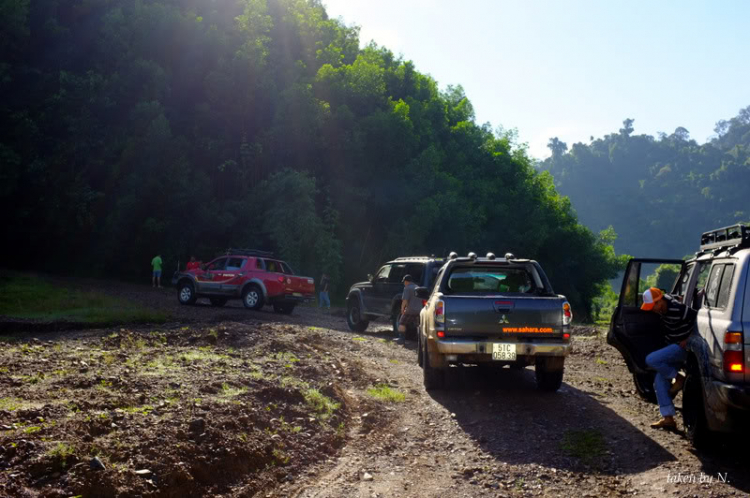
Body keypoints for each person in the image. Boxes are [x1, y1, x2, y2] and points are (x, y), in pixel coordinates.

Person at [642, 287, 697, 429]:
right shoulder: (663, 308)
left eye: (653, 306)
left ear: (659, 301)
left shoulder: (677, 309)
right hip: (673, 348)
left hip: (682, 348)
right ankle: (668, 419)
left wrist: (689, 339)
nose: (653, 310)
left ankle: (679, 378)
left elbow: (699, 320)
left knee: (651, 359)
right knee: (659, 381)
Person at [398, 275, 422, 344]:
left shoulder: (407, 288)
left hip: (410, 310)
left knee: (402, 323)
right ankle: (419, 341)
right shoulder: (418, 288)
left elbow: (405, 300)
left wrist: (402, 309)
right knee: (419, 325)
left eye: (404, 282)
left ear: (406, 281)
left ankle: (401, 339)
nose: (404, 283)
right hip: (419, 310)